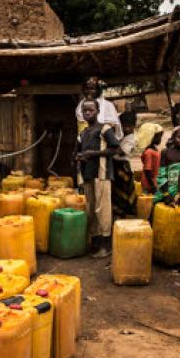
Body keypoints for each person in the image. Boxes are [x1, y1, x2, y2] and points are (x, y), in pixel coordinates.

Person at [76, 99, 119, 259]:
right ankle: (95, 243)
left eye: (91, 110)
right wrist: (79, 157)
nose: (88, 113)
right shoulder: (83, 134)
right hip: (88, 175)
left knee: (103, 210)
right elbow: (78, 152)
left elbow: (115, 148)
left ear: (98, 111)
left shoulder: (105, 129)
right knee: (91, 209)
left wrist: (92, 154)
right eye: (85, 111)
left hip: (102, 175)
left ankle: (106, 245)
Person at [154, 126, 180, 205]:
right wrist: (166, 194)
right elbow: (161, 174)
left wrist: (178, 194)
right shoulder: (165, 152)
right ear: (173, 137)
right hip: (164, 189)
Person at [112, 110, 138, 217]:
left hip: (123, 168)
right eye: (124, 126)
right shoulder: (120, 135)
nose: (126, 129)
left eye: (129, 126)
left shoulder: (131, 138)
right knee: (117, 190)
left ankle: (127, 211)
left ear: (134, 126)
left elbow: (120, 152)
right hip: (115, 165)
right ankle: (118, 210)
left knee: (125, 190)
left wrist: (111, 142)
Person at [138, 123, 164, 195]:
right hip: (148, 183)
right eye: (158, 136)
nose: (160, 139)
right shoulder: (149, 152)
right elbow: (147, 170)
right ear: (151, 137)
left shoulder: (154, 150)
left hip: (153, 181)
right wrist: (153, 185)